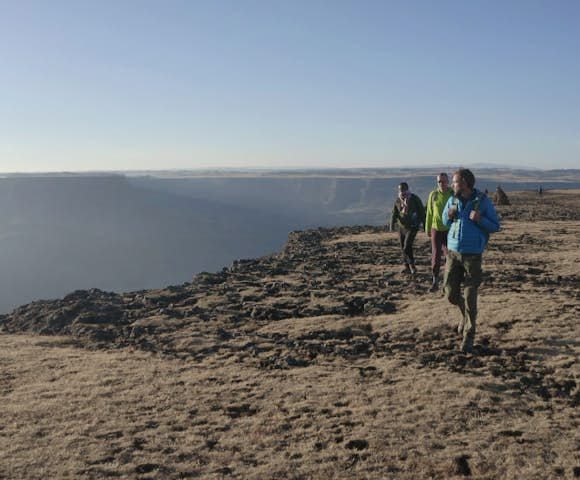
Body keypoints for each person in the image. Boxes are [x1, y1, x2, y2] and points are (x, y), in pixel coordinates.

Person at [442, 168, 500, 353]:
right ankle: (465, 317)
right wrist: (448, 216)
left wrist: (480, 218)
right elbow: (444, 221)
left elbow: (495, 226)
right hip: (453, 253)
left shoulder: (482, 202)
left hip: (473, 255)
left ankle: (469, 335)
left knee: (470, 297)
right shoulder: (452, 199)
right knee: (450, 293)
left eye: (455, 181)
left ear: (465, 183)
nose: (452, 185)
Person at [425, 173, 453, 292]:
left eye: (444, 181)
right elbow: (429, 213)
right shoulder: (433, 195)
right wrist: (427, 228)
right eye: (439, 182)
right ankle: (435, 281)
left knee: (449, 256)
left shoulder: (452, 193)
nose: (442, 184)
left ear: (448, 181)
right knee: (435, 256)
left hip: (449, 229)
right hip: (436, 228)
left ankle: (448, 282)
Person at [390, 182, 425, 275]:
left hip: (412, 227)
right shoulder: (398, 200)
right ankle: (407, 267)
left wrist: (425, 225)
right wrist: (392, 224)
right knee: (403, 248)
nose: (402, 191)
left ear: (407, 189)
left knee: (406, 246)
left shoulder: (414, 199)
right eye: (400, 189)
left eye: (403, 189)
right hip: (402, 227)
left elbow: (421, 211)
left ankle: (412, 266)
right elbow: (395, 212)